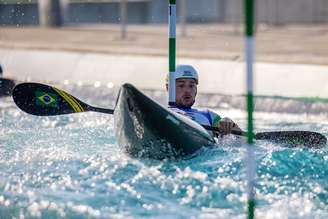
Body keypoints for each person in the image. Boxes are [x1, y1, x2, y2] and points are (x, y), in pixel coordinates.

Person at [166, 64, 241, 136]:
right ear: (168, 88)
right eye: (181, 86)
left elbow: (240, 140)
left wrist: (229, 123)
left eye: (191, 86)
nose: (187, 90)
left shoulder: (209, 115)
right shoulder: (162, 112)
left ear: (196, 89)